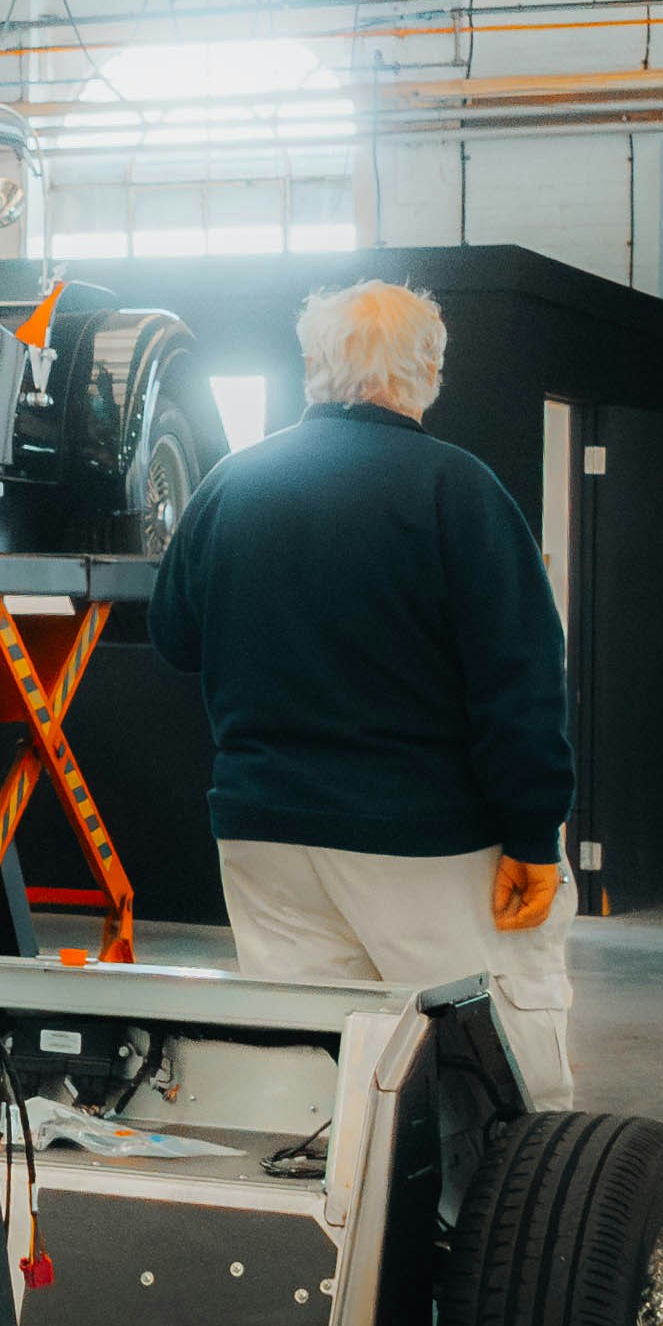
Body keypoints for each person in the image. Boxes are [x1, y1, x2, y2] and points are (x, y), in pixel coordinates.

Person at [146, 277, 577, 1102]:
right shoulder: (460, 492)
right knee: (499, 1075)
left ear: (314, 366)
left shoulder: (232, 486)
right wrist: (532, 831)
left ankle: (346, 1231)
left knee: (317, 1083)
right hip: (427, 844)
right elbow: (519, 680)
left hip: (266, 835)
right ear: (430, 371)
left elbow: (173, 637)